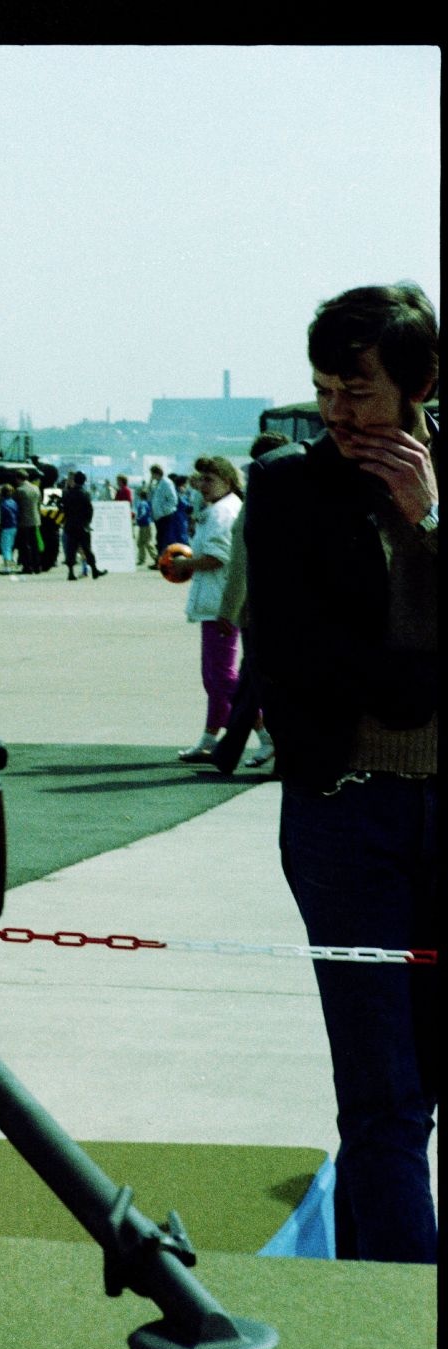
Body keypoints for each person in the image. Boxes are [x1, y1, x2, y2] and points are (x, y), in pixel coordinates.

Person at [245, 281, 438, 1264]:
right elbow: (292, 649)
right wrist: (412, 685)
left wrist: (429, 525)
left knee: (418, 1093)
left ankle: (362, 1288)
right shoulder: (286, 487)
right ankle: (411, 1333)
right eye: (325, 389)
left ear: (420, 385)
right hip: (344, 812)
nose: (338, 414)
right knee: (382, 1092)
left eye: (358, 392)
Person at [202, 431, 296, 775]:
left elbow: (241, 559)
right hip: (298, 610)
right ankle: (229, 751)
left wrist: (228, 610)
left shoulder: (261, 493)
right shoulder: (305, 490)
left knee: (261, 681)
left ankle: (268, 753)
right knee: (254, 682)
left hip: (263, 611)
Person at [165, 456, 244, 763]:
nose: (203, 486)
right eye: (201, 480)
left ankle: (266, 732)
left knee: (222, 676)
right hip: (212, 601)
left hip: (220, 603)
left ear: (227, 480)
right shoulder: (215, 509)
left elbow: (218, 556)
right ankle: (210, 737)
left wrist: (185, 564)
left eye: (210, 480)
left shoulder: (223, 513)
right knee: (213, 677)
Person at [59, 471, 106, 581]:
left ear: (74, 480)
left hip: (70, 526)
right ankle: (94, 570)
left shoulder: (67, 494)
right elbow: (90, 510)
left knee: (70, 550)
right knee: (87, 549)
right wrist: (87, 523)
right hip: (82, 526)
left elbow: (62, 509)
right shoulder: (85, 494)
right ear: (84, 482)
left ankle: (71, 573)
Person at [14, 471, 43, 574]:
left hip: (23, 521)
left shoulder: (19, 490)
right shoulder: (36, 488)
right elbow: (39, 502)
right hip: (35, 519)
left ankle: (27, 567)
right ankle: (37, 566)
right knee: (34, 544)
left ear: (18, 478)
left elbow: (15, 505)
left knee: (25, 545)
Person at [147, 463, 179, 555]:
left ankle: (163, 560)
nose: (151, 476)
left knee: (164, 539)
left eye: (152, 474)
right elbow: (149, 496)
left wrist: (164, 511)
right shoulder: (157, 483)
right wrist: (150, 483)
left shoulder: (166, 483)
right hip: (158, 516)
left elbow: (173, 499)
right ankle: (160, 559)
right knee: (159, 539)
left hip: (165, 516)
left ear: (156, 473)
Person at [133, 485, 157, 567]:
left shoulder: (142, 504)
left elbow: (143, 513)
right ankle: (141, 559)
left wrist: (138, 519)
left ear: (140, 495)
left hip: (144, 525)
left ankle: (156, 557)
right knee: (140, 542)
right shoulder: (146, 503)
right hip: (144, 525)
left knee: (147, 543)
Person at [0, 482, 18, 572]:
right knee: (10, 546)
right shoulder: (13, 502)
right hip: (14, 526)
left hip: (6, 527)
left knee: (5, 547)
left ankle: (7, 566)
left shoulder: (2, 504)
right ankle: (10, 564)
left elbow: (1, 517)